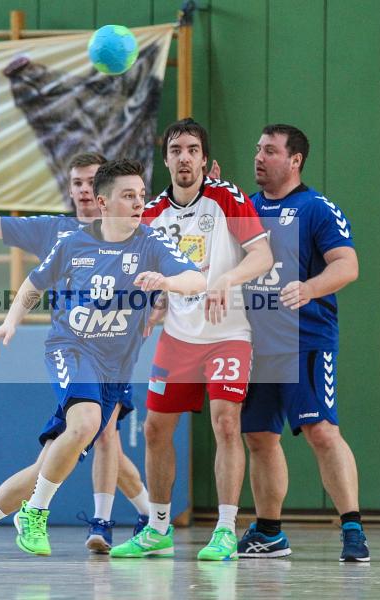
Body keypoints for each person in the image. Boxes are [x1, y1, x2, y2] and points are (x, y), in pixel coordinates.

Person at [0, 159, 205, 570]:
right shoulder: (71, 240)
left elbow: (198, 280)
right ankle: (37, 513)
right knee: (85, 426)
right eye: (128, 195)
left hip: (114, 370)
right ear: (103, 202)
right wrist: (9, 322)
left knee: (44, 466)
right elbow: (33, 284)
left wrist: (168, 282)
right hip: (71, 349)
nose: (138, 203)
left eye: (141, 195)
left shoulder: (151, 244)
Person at [0, 143, 151, 553]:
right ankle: (132, 519)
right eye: (76, 183)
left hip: (116, 361)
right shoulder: (56, 231)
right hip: (77, 354)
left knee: (49, 464)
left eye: (91, 181)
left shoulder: (137, 233)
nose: (83, 190)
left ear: (106, 190)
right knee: (91, 432)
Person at [111, 119, 273, 561]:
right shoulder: (153, 214)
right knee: (154, 429)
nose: (184, 157)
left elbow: (262, 255)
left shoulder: (227, 198)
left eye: (193, 150)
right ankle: (157, 528)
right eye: (176, 149)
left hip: (228, 334)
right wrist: (153, 305)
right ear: (165, 159)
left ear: (204, 159)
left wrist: (225, 280)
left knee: (225, 422)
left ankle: (224, 530)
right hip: (179, 337)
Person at [238, 124, 367, 561]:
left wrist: (310, 288)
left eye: (270, 151)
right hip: (256, 346)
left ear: (295, 160)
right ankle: (270, 531)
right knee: (258, 437)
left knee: (321, 432)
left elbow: (347, 266)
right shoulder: (247, 209)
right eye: (257, 150)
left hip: (305, 340)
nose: (259, 157)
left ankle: (352, 527)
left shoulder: (316, 208)